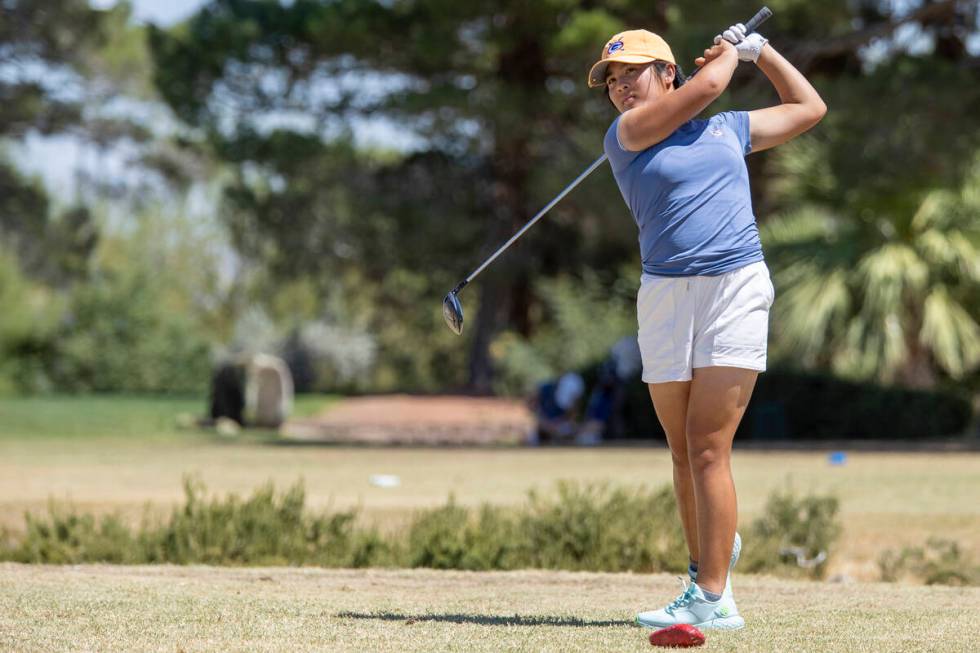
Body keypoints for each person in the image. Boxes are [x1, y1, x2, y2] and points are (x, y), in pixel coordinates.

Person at [587, 23, 826, 630]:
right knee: (681, 454)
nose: (619, 88)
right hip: (665, 295)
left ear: (667, 71)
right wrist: (727, 57)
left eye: (631, 73)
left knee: (707, 448)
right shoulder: (625, 135)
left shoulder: (728, 129)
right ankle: (707, 561)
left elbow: (808, 108)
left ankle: (714, 598)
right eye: (611, 81)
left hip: (735, 287)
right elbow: (704, 90)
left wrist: (762, 51)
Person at [527, 372, 586, 444]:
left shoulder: (575, 398)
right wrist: (544, 423)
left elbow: (572, 418)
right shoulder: (544, 389)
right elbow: (531, 406)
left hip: (560, 430)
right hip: (542, 429)